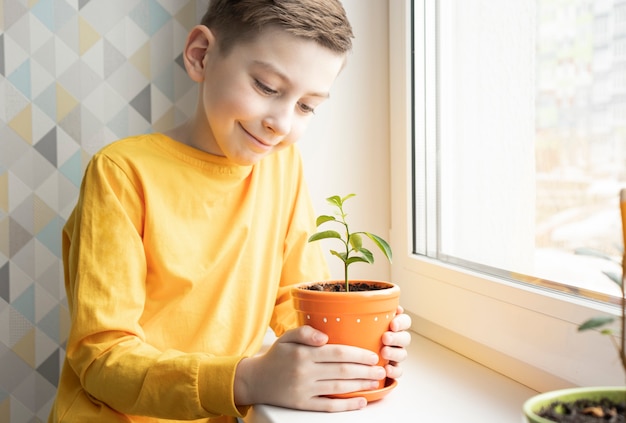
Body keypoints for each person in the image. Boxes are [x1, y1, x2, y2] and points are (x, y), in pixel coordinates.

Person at [48, 1, 412, 422]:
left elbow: (296, 299)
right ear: (201, 55)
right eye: (266, 86)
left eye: (307, 106)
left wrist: (356, 348)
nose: (282, 123)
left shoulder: (281, 165)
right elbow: (101, 356)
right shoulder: (121, 174)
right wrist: (245, 379)